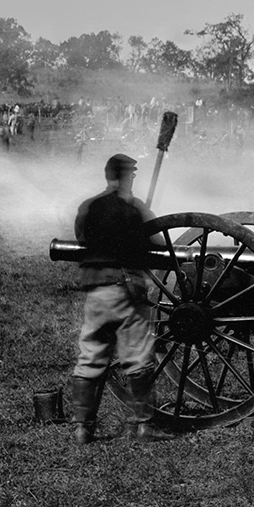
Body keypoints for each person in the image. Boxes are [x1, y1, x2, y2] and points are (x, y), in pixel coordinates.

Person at [68, 154, 173, 444]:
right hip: (126, 289)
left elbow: (81, 238)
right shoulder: (135, 208)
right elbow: (160, 244)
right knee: (137, 357)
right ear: (129, 177)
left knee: (90, 355)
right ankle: (143, 426)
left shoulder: (88, 207)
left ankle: (82, 428)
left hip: (96, 291)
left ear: (106, 175)